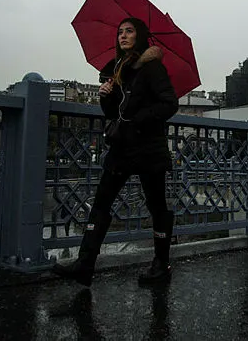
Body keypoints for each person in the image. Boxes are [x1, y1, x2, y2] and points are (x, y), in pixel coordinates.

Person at [53, 17, 179, 287]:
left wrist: (140, 118)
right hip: (122, 148)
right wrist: (105, 94)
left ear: (140, 36)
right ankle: (84, 265)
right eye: (120, 32)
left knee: (156, 206)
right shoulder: (120, 69)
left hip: (148, 148)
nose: (123, 36)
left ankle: (161, 264)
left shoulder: (153, 68)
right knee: (101, 202)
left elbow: (169, 104)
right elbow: (114, 112)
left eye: (129, 31)